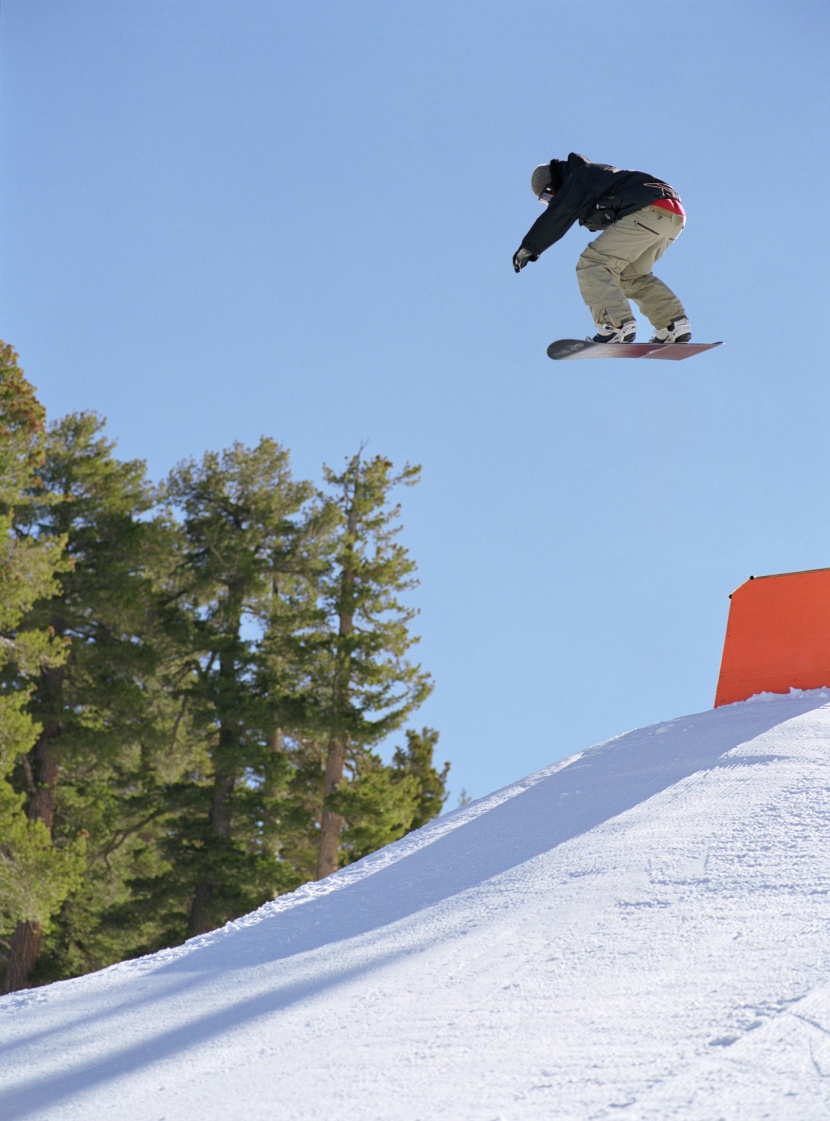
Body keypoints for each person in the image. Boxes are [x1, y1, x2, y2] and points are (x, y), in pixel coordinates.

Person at [513, 153, 691, 344]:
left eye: (548, 195)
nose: (550, 200)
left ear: (554, 182)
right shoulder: (597, 176)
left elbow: (561, 210)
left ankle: (616, 326)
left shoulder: (580, 176)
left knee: (593, 263)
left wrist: (531, 246)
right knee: (630, 275)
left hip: (649, 211)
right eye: (545, 200)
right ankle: (673, 325)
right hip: (672, 216)